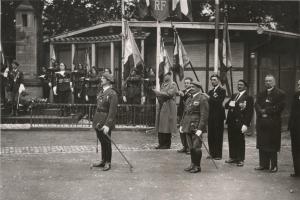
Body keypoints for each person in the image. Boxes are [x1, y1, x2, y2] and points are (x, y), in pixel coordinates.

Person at [255, 74, 285, 173]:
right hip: (262, 123)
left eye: (270, 81)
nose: (267, 82)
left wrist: (266, 111)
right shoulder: (261, 93)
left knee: (272, 145)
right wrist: (261, 112)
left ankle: (274, 165)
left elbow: (279, 107)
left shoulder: (280, 93)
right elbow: (257, 104)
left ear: (274, 82)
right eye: (266, 81)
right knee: (262, 144)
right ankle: (263, 164)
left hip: (273, 124)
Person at [179, 81, 209, 173]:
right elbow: (185, 113)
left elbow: (204, 115)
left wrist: (200, 128)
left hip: (196, 126)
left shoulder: (202, 98)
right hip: (187, 126)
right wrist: (181, 125)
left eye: (193, 87)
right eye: (190, 87)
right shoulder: (188, 99)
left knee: (196, 147)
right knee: (191, 147)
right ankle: (192, 164)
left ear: (198, 88)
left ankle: (197, 166)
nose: (190, 88)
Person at [92, 73, 118, 171]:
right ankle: (103, 160)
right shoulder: (101, 92)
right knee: (102, 141)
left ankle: (108, 162)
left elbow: (112, 111)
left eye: (103, 78)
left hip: (105, 120)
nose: (101, 79)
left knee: (107, 141)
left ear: (108, 80)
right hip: (98, 119)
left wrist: (108, 125)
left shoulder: (112, 93)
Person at [224, 80, 254, 167]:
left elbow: (249, 112)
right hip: (231, 122)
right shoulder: (234, 95)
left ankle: (240, 159)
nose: (239, 86)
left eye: (241, 85)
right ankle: (233, 157)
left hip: (240, 122)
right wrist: (230, 103)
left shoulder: (248, 98)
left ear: (245, 87)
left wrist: (246, 124)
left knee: (240, 141)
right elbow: (226, 106)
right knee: (231, 139)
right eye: (238, 85)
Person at [153, 71, 177, 149]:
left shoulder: (173, 84)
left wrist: (159, 93)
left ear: (170, 76)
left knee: (167, 125)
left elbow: (170, 94)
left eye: (167, 75)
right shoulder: (163, 84)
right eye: (164, 75)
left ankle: (166, 144)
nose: (165, 77)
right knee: (160, 125)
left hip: (168, 105)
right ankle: (161, 143)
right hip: (162, 105)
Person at [206, 74, 226, 160]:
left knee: (218, 135)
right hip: (210, 116)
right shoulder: (210, 92)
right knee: (211, 135)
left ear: (218, 80)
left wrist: (209, 98)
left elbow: (218, 102)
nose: (212, 81)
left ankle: (218, 154)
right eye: (211, 80)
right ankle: (212, 153)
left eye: (214, 80)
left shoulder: (222, 90)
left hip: (218, 116)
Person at [177, 77, 193, 154]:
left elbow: (189, 101)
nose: (186, 84)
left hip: (188, 114)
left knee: (188, 130)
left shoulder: (192, 92)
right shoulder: (183, 92)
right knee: (181, 130)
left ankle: (190, 148)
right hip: (182, 114)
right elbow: (180, 104)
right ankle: (184, 146)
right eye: (185, 83)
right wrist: (178, 114)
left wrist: (183, 96)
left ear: (191, 84)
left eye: (188, 83)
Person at [288, 79, 300, 177]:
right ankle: (297, 171)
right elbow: (292, 111)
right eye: (298, 84)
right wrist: (290, 126)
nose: (299, 86)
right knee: (295, 150)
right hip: (295, 128)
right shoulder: (296, 95)